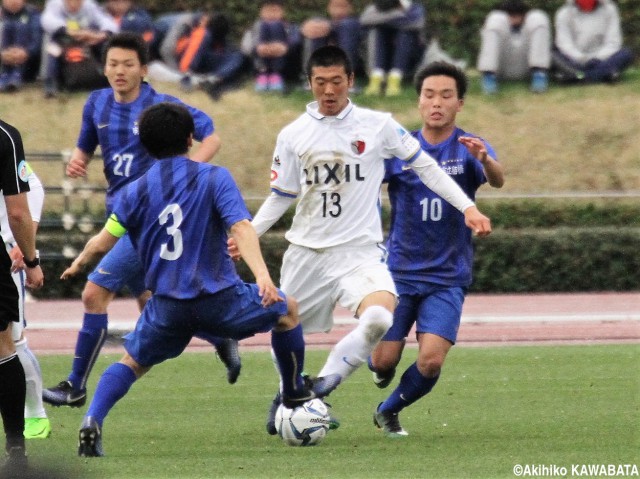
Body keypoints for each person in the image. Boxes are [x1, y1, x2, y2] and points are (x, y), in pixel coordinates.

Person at [229, 45, 492, 435]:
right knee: (284, 324)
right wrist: (251, 232)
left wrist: (468, 207)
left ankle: (322, 386)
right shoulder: (292, 135)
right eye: (321, 83)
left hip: (360, 252)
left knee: (379, 316)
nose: (329, 90)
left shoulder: (378, 125)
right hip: (306, 251)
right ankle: (288, 392)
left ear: (350, 81)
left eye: (336, 81)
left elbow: (427, 168)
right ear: (310, 83)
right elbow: (282, 194)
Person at [59, 102, 341, 457]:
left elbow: (104, 239)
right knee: (288, 311)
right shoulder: (214, 177)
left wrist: (80, 262)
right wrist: (263, 276)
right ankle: (293, 391)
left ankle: (92, 419)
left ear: (145, 145)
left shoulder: (133, 191)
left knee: (131, 363)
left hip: (166, 308)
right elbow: (240, 227)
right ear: (191, 139)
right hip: (220, 299)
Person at [42, 32, 241, 410]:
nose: (119, 71)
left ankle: (75, 384)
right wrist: (79, 160)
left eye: (128, 64)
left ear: (144, 69)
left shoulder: (161, 106)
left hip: (146, 221)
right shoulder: (96, 103)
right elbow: (87, 143)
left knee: (93, 294)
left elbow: (210, 137)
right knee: (155, 306)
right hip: (119, 214)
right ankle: (220, 338)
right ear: (104, 67)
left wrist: (185, 176)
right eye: (113, 64)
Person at [368, 61, 504, 437]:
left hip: (447, 276)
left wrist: (485, 160)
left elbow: (498, 180)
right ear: (419, 101)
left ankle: (389, 409)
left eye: (446, 95)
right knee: (382, 361)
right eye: (429, 95)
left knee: (430, 363)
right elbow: (365, 187)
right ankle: (382, 371)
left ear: (460, 102)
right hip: (397, 272)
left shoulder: (468, 146)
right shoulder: (400, 149)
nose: (437, 102)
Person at [0, 118, 44, 477]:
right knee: (4, 347)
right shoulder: (5, 136)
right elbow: (18, 211)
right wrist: (31, 259)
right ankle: (16, 447)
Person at [0, 167, 51, 440]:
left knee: (13, 341)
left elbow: (34, 187)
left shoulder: (5, 140)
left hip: (7, 254)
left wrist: (25, 240)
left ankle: (35, 415)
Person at [150, 10, 247, 101]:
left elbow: (219, 46)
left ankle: (215, 78)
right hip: (180, 59)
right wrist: (182, 73)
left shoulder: (204, 29)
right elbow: (168, 50)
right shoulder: (193, 28)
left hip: (196, 58)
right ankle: (212, 79)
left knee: (237, 56)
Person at [40, 0, 119, 97]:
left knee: (106, 46)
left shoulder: (90, 5)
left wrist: (99, 35)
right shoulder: (55, 4)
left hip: (87, 40)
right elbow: (47, 21)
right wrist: (71, 32)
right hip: (64, 40)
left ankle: (112, 79)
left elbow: (107, 21)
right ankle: (50, 85)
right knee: (52, 49)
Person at [476, 0, 551, 94]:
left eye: (517, 15)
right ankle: (488, 76)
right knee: (495, 18)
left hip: (527, 68)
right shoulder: (498, 22)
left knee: (539, 16)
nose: (514, 19)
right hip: (500, 69)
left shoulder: (529, 24)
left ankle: (539, 74)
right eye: (511, 15)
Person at [552, 0, 633, 84]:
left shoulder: (610, 9)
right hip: (575, 61)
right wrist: (582, 59)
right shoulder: (563, 13)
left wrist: (597, 59)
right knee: (553, 55)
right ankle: (605, 74)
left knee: (626, 54)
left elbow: (613, 42)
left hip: (602, 59)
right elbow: (564, 44)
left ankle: (580, 77)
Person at [360, 0, 425, 96]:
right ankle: (376, 77)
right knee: (377, 31)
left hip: (409, 53)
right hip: (383, 50)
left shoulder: (414, 7)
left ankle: (395, 79)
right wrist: (399, 15)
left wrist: (383, 19)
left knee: (405, 34)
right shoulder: (378, 5)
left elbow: (416, 22)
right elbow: (365, 19)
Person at [241, 0, 301, 92]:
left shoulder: (291, 27)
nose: (271, 14)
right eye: (268, 11)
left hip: (284, 63)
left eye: (275, 11)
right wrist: (259, 48)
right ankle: (263, 75)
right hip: (260, 62)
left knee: (276, 26)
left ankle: (276, 74)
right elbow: (246, 47)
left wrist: (285, 47)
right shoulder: (254, 28)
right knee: (262, 26)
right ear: (261, 12)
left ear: (283, 12)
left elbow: (296, 40)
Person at [300, 0, 362, 77]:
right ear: (328, 8)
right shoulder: (321, 23)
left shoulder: (355, 24)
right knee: (316, 27)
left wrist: (330, 26)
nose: (339, 11)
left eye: (343, 6)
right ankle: (313, 74)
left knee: (348, 25)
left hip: (353, 61)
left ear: (351, 8)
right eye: (335, 6)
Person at [0, 0, 43, 92]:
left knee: (20, 27)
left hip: (28, 64)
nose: (13, 1)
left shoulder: (33, 14)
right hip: (3, 61)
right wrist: (3, 54)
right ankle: (5, 74)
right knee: (7, 26)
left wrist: (25, 53)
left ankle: (16, 74)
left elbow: (37, 42)